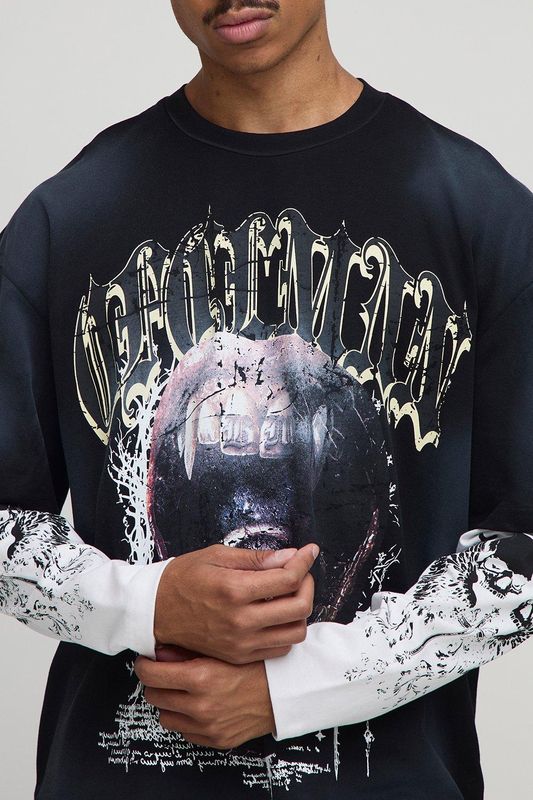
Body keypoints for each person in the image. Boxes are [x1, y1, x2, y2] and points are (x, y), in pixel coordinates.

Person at [1, 0, 532, 798]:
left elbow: (522, 547)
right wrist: (145, 604)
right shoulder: (73, 213)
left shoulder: (475, 209)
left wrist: (300, 687)